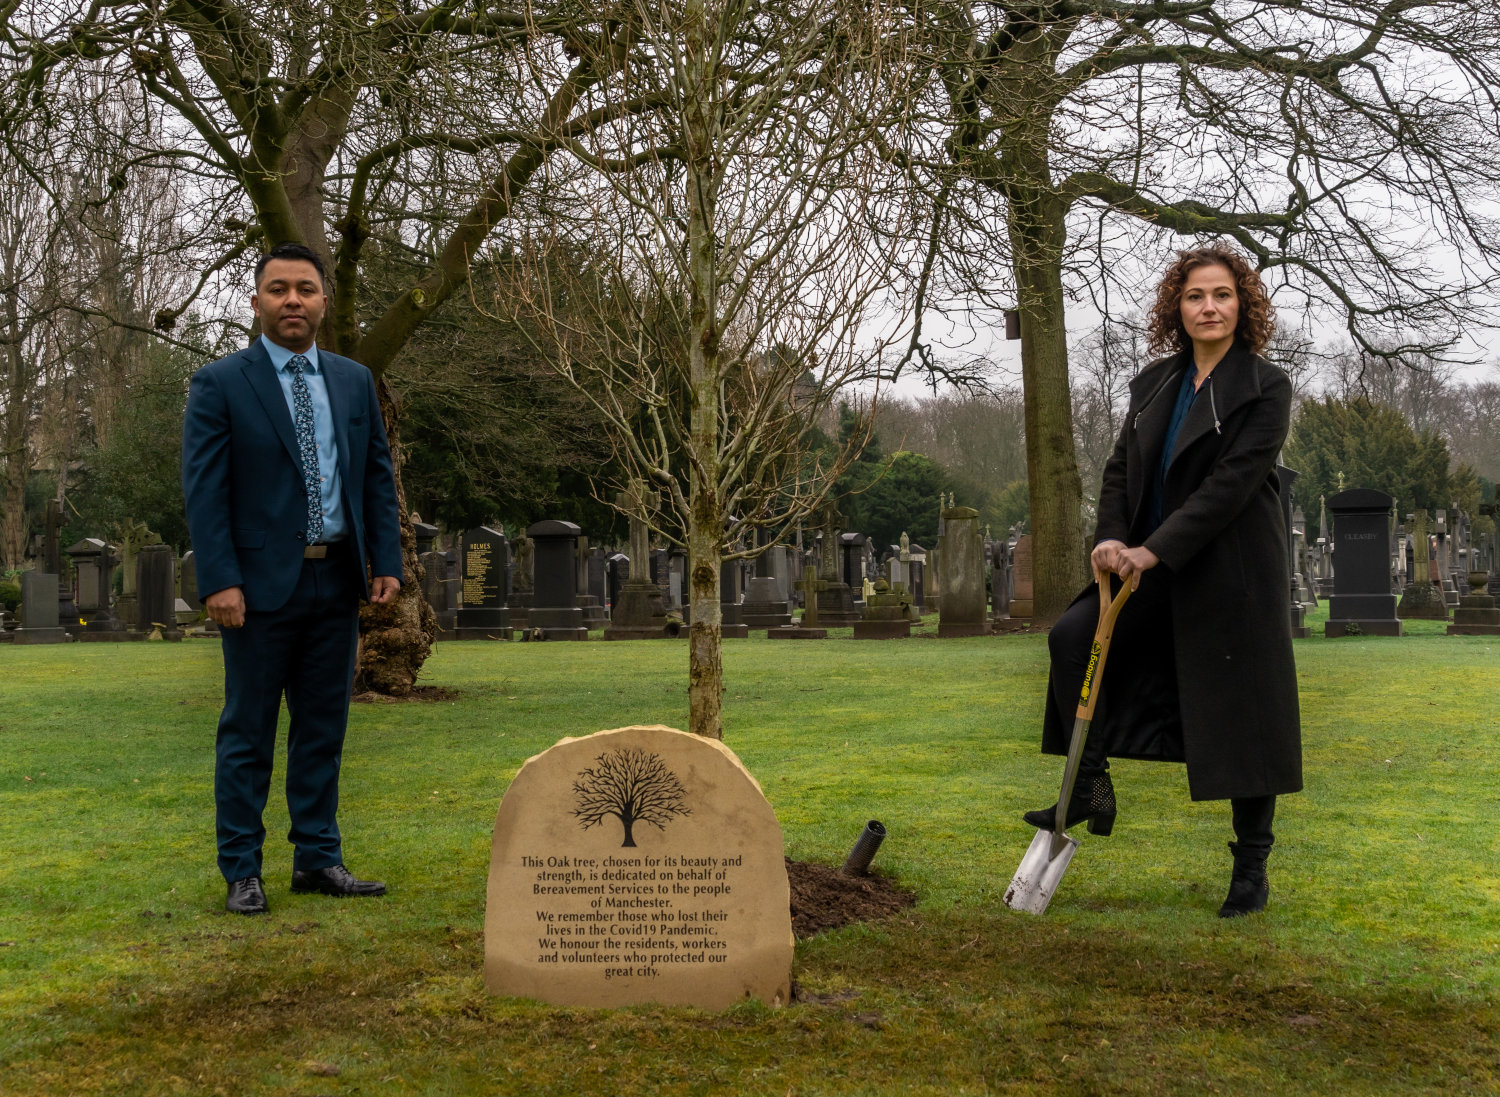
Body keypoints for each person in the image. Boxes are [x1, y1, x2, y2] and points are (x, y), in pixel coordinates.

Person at [1023, 244, 1302, 917]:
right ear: (1177, 307)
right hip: (1146, 566)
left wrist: (1156, 549)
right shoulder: (1153, 385)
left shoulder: (1266, 388)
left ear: (1243, 306)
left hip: (1227, 573)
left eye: (1222, 295)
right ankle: (1089, 784)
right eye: (1196, 296)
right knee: (1071, 637)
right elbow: (1121, 468)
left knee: (1243, 721)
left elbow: (1229, 486)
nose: (1209, 307)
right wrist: (1111, 538)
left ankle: (1250, 867)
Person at [182, 242, 404, 915]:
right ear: (255, 302)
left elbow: (374, 476)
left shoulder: (352, 380)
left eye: (305, 289)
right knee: (248, 731)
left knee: (322, 728)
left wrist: (385, 561)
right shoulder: (220, 384)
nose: (292, 301)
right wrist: (220, 579)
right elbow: (205, 490)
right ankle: (242, 870)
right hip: (255, 589)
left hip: (335, 581)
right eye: (278, 289)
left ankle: (317, 857)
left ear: (323, 301)